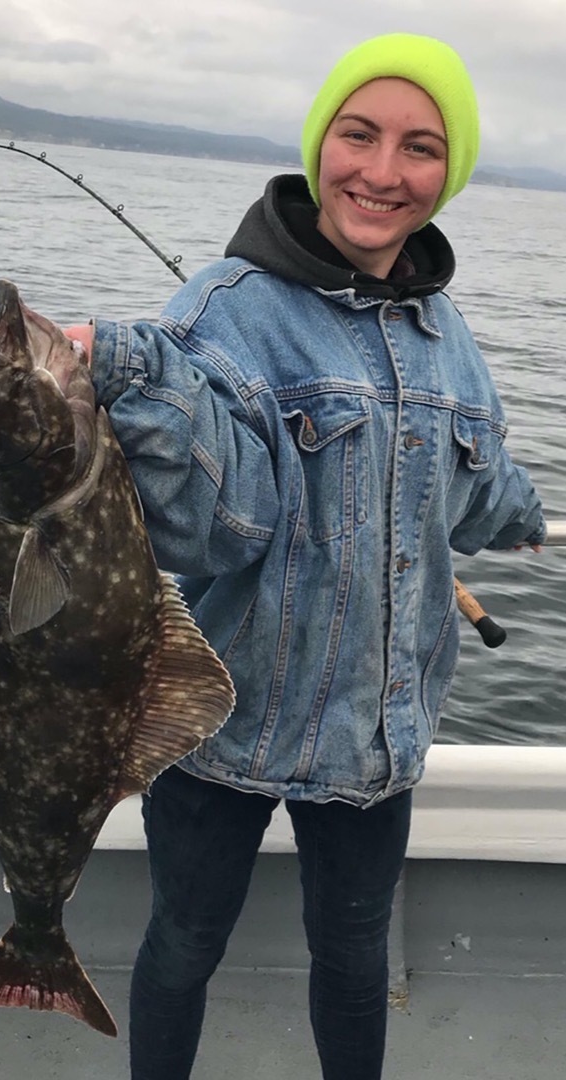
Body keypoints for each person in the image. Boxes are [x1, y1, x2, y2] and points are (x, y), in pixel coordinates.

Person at [65, 32, 545, 1080]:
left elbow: (476, 489)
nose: (381, 171)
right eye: (357, 134)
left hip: (375, 732)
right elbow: (210, 531)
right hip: (213, 722)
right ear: (318, 142)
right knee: (184, 943)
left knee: (352, 955)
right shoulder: (218, 310)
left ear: (447, 172)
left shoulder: (445, 329)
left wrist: (529, 520)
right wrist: (142, 381)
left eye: (420, 147)